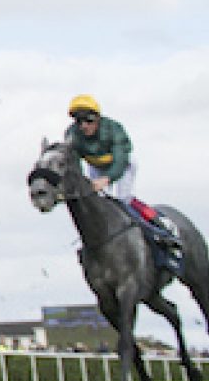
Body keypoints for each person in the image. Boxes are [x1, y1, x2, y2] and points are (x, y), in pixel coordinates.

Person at [63, 94, 184, 270]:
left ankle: (161, 226)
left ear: (97, 118)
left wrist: (107, 179)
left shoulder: (114, 129)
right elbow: (73, 163)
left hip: (122, 164)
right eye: (79, 121)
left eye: (88, 121)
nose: (84, 126)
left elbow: (120, 161)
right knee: (96, 202)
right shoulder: (72, 134)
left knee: (122, 199)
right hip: (96, 165)